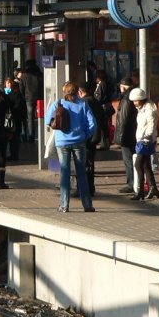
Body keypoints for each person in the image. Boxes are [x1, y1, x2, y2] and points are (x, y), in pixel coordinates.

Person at [45, 80, 96, 213]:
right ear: (76, 91)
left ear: (64, 92)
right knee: (81, 174)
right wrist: (85, 135)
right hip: (79, 141)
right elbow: (93, 124)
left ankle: (64, 205)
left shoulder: (58, 103)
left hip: (62, 143)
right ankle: (87, 205)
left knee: (65, 173)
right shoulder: (83, 105)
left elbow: (47, 120)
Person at [129, 88, 159, 200]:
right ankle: (153, 188)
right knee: (146, 166)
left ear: (141, 99)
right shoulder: (143, 108)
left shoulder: (149, 110)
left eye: (136, 101)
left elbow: (151, 125)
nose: (134, 103)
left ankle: (140, 191)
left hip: (146, 141)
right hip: (144, 140)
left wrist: (146, 136)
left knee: (138, 165)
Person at [77, 82, 105, 196]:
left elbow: (85, 121)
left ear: (80, 92)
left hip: (87, 136)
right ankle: (90, 187)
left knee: (85, 163)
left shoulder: (84, 103)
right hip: (95, 136)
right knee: (90, 162)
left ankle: (85, 188)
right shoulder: (96, 101)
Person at [114, 78, 137, 193]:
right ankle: (134, 183)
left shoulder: (126, 99)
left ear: (123, 86)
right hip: (131, 133)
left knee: (128, 160)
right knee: (132, 159)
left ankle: (131, 184)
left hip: (127, 135)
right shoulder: (131, 96)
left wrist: (120, 137)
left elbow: (123, 119)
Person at [5, 76, 27, 162]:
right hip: (14, 119)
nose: (8, 85)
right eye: (7, 83)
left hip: (14, 119)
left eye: (10, 83)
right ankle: (13, 154)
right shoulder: (12, 94)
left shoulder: (14, 95)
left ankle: (14, 155)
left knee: (14, 138)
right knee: (13, 138)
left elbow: (16, 107)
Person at [93, 69, 115, 149]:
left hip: (103, 108)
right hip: (104, 106)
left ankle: (104, 144)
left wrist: (95, 100)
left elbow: (100, 97)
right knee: (104, 126)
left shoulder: (102, 84)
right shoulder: (102, 84)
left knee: (103, 126)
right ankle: (105, 143)